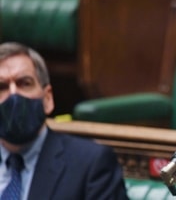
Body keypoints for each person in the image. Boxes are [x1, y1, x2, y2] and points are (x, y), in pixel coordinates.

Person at [0, 42, 129, 200]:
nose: (14, 95)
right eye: (1, 87)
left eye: (24, 83)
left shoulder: (92, 164)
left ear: (47, 98)